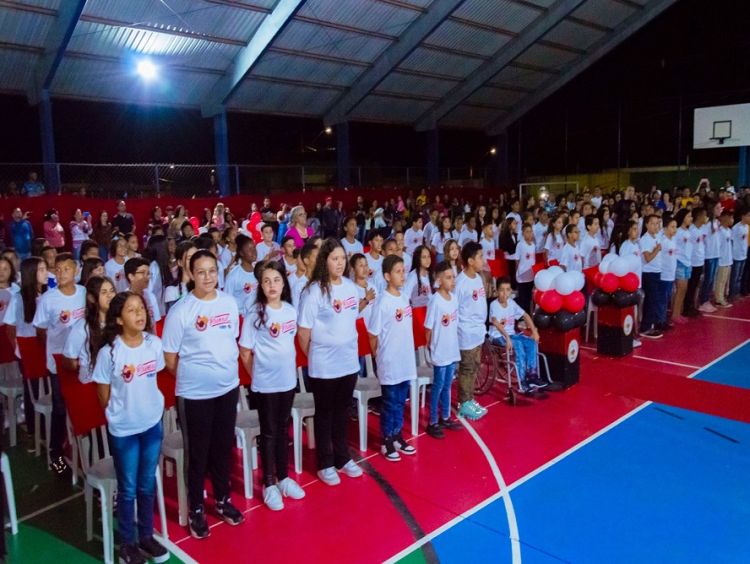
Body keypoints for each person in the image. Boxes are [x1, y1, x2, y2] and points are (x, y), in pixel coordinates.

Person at [162, 249, 245, 539]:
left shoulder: (229, 303)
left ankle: (223, 499)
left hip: (227, 388)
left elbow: (230, 338)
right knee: (197, 454)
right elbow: (170, 358)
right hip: (194, 394)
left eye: (212, 271)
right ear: (191, 274)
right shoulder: (181, 311)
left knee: (222, 448)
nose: (208, 277)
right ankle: (196, 507)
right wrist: (196, 376)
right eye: (201, 272)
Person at [92, 292, 169, 564]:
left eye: (141, 308)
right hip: (124, 430)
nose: (139, 314)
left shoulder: (154, 344)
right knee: (128, 488)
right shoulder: (109, 352)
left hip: (151, 424)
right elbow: (102, 392)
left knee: (147, 484)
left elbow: (155, 377)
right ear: (118, 319)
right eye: (131, 310)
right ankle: (127, 543)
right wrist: (118, 414)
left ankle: (146, 536)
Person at [239, 261, 306, 511]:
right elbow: (245, 352)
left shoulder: (290, 310)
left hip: (287, 381)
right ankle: (269, 484)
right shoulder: (255, 314)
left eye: (276, 280)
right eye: (266, 281)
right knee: (268, 433)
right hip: (265, 385)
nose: (272, 285)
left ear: (283, 283)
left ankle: (284, 478)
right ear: (260, 286)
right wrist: (257, 375)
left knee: (282, 430)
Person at [297, 238, 363, 485]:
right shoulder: (314, 291)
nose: (339, 263)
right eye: (334, 258)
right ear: (325, 260)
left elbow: (350, 321)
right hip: (324, 366)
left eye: (342, 258)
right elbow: (304, 334)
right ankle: (325, 464)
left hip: (348, 363)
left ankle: (343, 458)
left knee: (341, 412)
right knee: (324, 414)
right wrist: (316, 354)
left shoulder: (350, 288)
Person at [33, 253, 86, 474]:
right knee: (60, 407)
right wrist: (56, 351)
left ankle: (82, 450)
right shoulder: (49, 298)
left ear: (75, 271)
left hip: (82, 360)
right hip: (58, 362)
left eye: (67, 268)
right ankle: (56, 452)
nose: (62, 272)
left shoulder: (83, 293)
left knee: (82, 406)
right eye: (59, 269)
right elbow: (40, 329)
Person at [367, 255, 417, 462]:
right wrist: (379, 357)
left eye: (403, 270)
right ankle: (386, 440)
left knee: (400, 401)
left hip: (405, 359)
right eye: (397, 271)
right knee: (389, 402)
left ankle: (397, 435)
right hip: (390, 360)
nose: (402, 274)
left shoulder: (404, 298)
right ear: (387, 276)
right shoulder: (383, 303)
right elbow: (372, 334)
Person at [423, 262, 462, 439]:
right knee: (438, 386)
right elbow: (428, 328)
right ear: (439, 280)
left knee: (447, 386)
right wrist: (430, 348)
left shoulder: (454, 298)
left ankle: (445, 416)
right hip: (440, 350)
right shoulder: (435, 301)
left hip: (452, 349)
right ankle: (432, 421)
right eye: (448, 277)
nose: (452, 280)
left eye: (453, 277)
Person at [489, 276, 545, 394]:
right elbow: (495, 323)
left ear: (510, 291)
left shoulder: (511, 303)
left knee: (530, 342)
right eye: (502, 290)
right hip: (497, 336)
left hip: (511, 335)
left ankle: (532, 375)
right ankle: (523, 383)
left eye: (508, 290)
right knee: (518, 345)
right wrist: (507, 337)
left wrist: (534, 331)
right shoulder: (494, 305)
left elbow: (526, 315)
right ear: (497, 291)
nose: (505, 293)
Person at [454, 242, 487, 421]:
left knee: (475, 367)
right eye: (480, 256)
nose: (483, 260)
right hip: (465, 333)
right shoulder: (461, 282)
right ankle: (463, 403)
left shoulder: (478, 278)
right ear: (470, 260)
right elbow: (455, 309)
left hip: (478, 331)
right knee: (466, 369)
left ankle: (470, 398)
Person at [63, 276, 116, 384]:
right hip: (92, 382)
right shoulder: (83, 326)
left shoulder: (120, 320)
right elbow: (68, 360)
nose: (110, 296)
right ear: (92, 298)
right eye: (104, 292)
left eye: (112, 291)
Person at [125, 258, 162, 329]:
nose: (147, 277)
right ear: (131, 276)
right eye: (142, 273)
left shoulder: (151, 296)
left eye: (148, 273)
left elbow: (156, 323)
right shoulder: (124, 299)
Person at [224, 235, 258, 311]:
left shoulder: (259, 270)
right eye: (249, 249)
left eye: (254, 248)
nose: (254, 251)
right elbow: (227, 300)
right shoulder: (234, 275)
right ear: (241, 253)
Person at [671, 209, 693, 324]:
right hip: (680, 262)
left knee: (684, 289)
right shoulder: (678, 231)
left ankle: (678, 312)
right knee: (680, 289)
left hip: (687, 262)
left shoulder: (688, 232)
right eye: (689, 216)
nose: (691, 218)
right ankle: (675, 314)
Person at [658, 216, 678, 330]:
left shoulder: (673, 241)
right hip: (664, 275)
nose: (674, 229)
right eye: (672, 227)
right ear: (665, 228)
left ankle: (664, 319)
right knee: (662, 298)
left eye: (675, 227)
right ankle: (660, 321)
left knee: (667, 298)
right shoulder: (663, 241)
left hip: (671, 274)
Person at [713, 210, 734, 308]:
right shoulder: (720, 231)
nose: (732, 220)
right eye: (730, 218)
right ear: (725, 218)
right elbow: (718, 246)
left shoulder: (729, 231)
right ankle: (719, 299)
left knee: (724, 280)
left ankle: (721, 297)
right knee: (720, 281)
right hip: (722, 260)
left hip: (728, 259)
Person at [729, 208, 750, 301]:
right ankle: (732, 294)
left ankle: (737, 293)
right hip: (736, 255)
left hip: (743, 254)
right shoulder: (736, 228)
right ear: (743, 216)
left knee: (740, 276)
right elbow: (732, 241)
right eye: (748, 215)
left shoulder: (747, 227)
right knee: (734, 276)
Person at [515, 223, 536, 313]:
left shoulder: (533, 245)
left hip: (530, 275)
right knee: (522, 299)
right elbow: (517, 260)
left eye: (531, 232)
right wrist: (517, 273)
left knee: (529, 298)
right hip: (522, 276)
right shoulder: (520, 245)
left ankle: (528, 315)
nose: (529, 234)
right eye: (527, 232)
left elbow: (533, 260)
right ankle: (521, 317)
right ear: (523, 233)